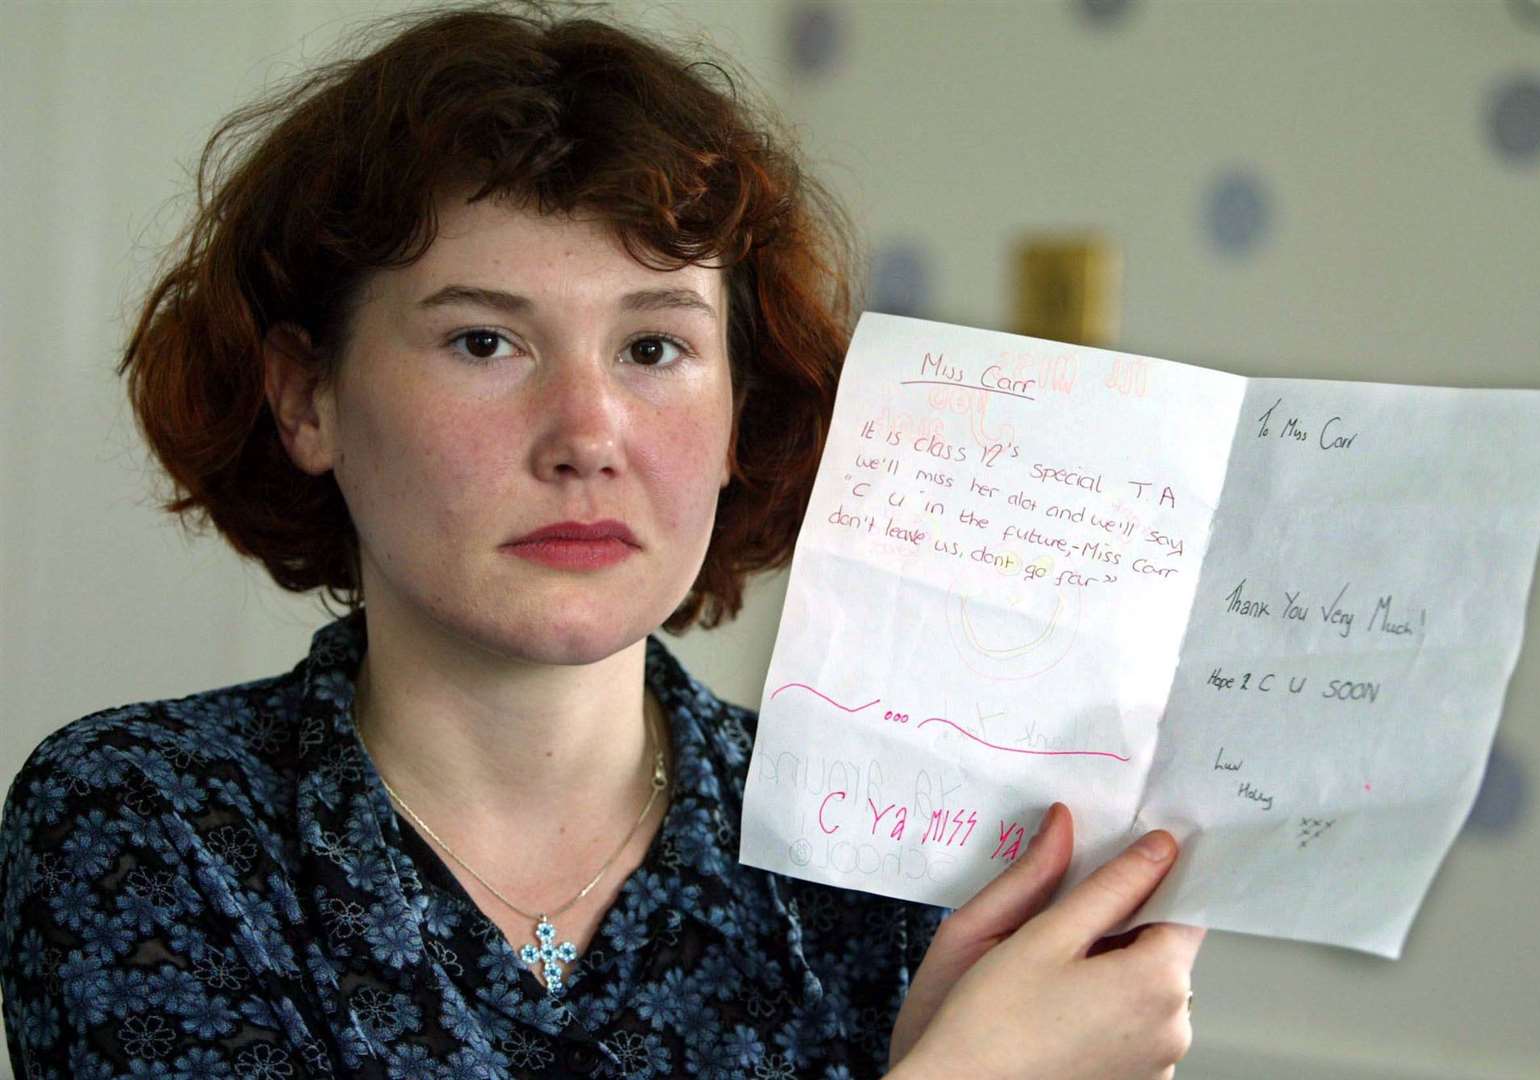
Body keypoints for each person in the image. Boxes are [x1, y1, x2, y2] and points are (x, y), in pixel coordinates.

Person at [0, 3, 1202, 1077]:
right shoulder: (143, 819)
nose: (589, 435)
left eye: (654, 348)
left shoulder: (878, 860)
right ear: (307, 398)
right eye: (485, 342)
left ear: (744, 407)